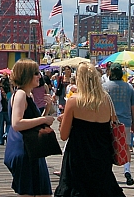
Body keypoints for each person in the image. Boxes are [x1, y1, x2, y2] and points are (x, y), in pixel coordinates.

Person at [53, 62, 124, 197]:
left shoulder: (74, 101)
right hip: (102, 154)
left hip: (78, 156)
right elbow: (113, 123)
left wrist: (64, 121)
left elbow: (63, 135)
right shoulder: (106, 100)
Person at [6, 59, 53, 197]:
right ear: (27, 75)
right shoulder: (20, 94)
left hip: (32, 149)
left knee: (42, 192)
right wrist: (44, 119)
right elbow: (17, 123)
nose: (40, 76)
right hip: (24, 150)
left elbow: (33, 122)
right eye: (36, 73)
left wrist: (47, 109)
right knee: (30, 192)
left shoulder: (28, 95)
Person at [103, 63, 134, 186]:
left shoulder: (104, 87)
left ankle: (108, 172)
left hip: (107, 122)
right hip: (125, 122)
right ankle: (127, 170)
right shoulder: (129, 87)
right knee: (126, 147)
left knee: (108, 147)